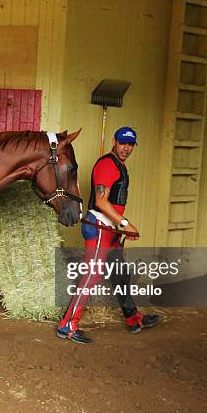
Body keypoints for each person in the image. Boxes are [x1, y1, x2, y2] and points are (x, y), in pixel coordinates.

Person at [57, 127, 160, 344]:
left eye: (131, 144)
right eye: (123, 143)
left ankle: (133, 319)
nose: (126, 148)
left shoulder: (120, 166)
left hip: (110, 228)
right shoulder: (106, 164)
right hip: (100, 227)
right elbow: (102, 201)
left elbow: (112, 203)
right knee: (91, 275)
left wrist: (120, 227)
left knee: (120, 273)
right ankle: (67, 325)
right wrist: (125, 223)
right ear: (114, 141)